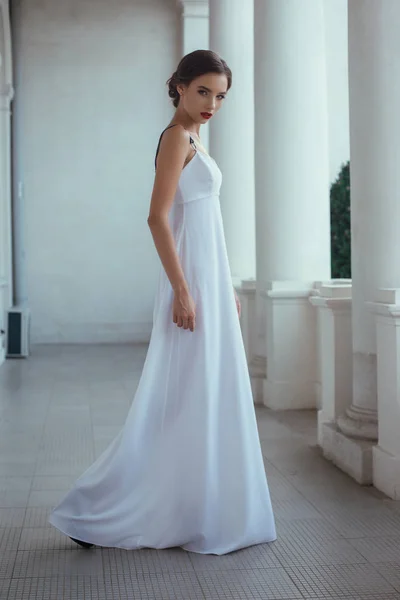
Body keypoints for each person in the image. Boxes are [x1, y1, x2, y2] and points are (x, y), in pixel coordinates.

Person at [48, 49, 276, 555]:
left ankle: (195, 503)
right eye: (203, 92)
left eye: (220, 96)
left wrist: (226, 284)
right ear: (178, 85)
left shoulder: (196, 138)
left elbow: (204, 225)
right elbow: (157, 217)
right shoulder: (176, 137)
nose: (212, 103)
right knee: (176, 397)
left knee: (202, 392)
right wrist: (184, 290)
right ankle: (97, 508)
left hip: (206, 283)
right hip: (189, 286)